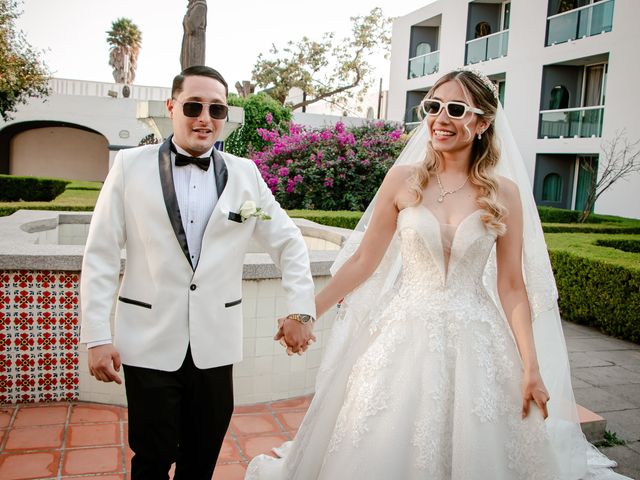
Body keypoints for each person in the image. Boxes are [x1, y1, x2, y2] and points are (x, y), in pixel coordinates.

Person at [249, 70, 630, 479]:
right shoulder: (402, 180)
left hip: (479, 341)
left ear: (482, 123)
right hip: (403, 335)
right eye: (432, 107)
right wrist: (305, 313)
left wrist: (531, 366)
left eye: (455, 109)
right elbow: (363, 262)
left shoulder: (504, 194)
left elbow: (512, 287)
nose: (439, 118)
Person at [80, 65, 316, 480]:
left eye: (217, 109)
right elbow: (100, 253)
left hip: (215, 344)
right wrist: (97, 336)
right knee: (151, 458)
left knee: (202, 458)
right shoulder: (128, 167)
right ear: (171, 107)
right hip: (148, 340)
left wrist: (301, 310)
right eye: (193, 106)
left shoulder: (247, 174)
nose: (205, 118)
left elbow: (289, 242)